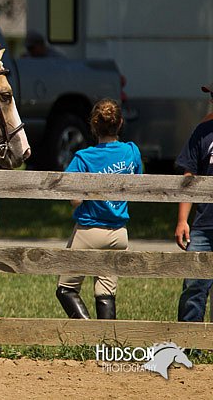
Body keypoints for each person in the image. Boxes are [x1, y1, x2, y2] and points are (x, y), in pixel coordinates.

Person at [55, 99, 142, 320]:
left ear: (93, 126)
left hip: (89, 231)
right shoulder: (131, 152)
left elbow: (74, 199)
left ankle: (90, 335)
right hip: (119, 232)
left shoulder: (84, 158)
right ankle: (107, 346)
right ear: (120, 122)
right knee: (105, 291)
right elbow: (139, 183)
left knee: (66, 288)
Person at [175, 83, 213, 322]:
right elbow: (189, 175)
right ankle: (190, 345)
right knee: (194, 285)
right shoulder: (202, 132)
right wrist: (182, 220)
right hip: (203, 224)